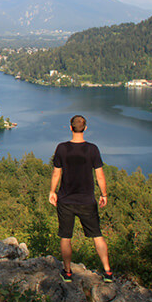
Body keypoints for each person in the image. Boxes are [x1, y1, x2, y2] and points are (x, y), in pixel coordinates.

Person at [48, 115, 113, 283]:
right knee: (97, 236)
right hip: (87, 201)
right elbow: (100, 176)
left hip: (66, 200)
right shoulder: (92, 149)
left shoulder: (62, 148)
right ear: (85, 128)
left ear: (70, 128)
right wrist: (104, 194)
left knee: (65, 237)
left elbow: (57, 172)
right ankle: (107, 272)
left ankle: (67, 272)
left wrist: (52, 191)